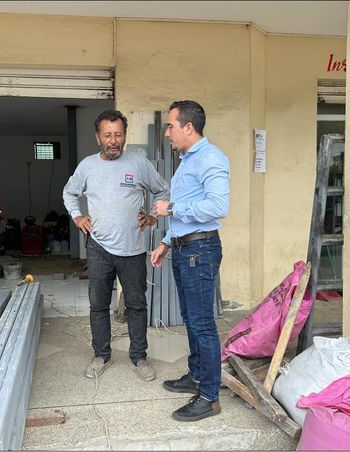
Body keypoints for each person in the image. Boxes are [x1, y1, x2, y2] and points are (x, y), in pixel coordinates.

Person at [63, 109, 169, 382]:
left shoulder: (139, 163)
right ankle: (101, 355)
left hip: (133, 249)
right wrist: (77, 216)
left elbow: (163, 190)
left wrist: (153, 217)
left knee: (136, 304)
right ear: (98, 137)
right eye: (107, 135)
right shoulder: (87, 166)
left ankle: (139, 357)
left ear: (125, 136)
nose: (113, 141)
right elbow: (69, 192)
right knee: (98, 305)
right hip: (98, 248)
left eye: (118, 135)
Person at [151, 100, 230, 422]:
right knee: (191, 318)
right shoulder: (187, 160)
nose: (167, 133)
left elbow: (218, 207)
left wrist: (171, 209)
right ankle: (197, 376)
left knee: (202, 324)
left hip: (200, 251)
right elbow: (188, 213)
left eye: (170, 126)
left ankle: (209, 396)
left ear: (188, 127)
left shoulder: (210, 158)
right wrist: (166, 242)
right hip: (185, 249)